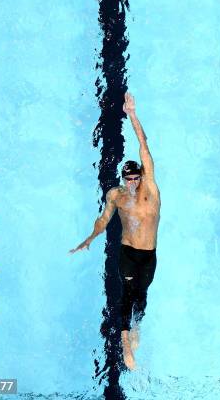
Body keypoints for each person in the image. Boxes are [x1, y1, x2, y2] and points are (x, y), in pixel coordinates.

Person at [70, 92, 161, 370]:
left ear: (143, 176)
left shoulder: (151, 191)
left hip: (149, 254)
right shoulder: (117, 195)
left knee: (142, 295)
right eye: (128, 178)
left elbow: (144, 145)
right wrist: (90, 237)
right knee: (127, 293)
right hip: (128, 252)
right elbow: (104, 219)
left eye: (136, 177)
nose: (133, 183)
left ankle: (136, 330)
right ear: (123, 179)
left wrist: (132, 115)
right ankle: (125, 344)